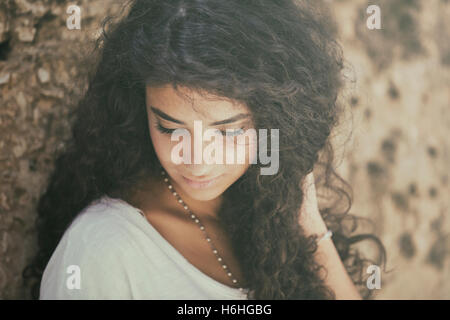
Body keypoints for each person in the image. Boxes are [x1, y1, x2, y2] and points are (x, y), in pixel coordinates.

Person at [23, 0, 386, 300]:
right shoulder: (101, 253)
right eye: (169, 127)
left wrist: (308, 224)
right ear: (138, 110)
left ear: (277, 122)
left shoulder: (268, 215)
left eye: (227, 132)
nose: (196, 161)